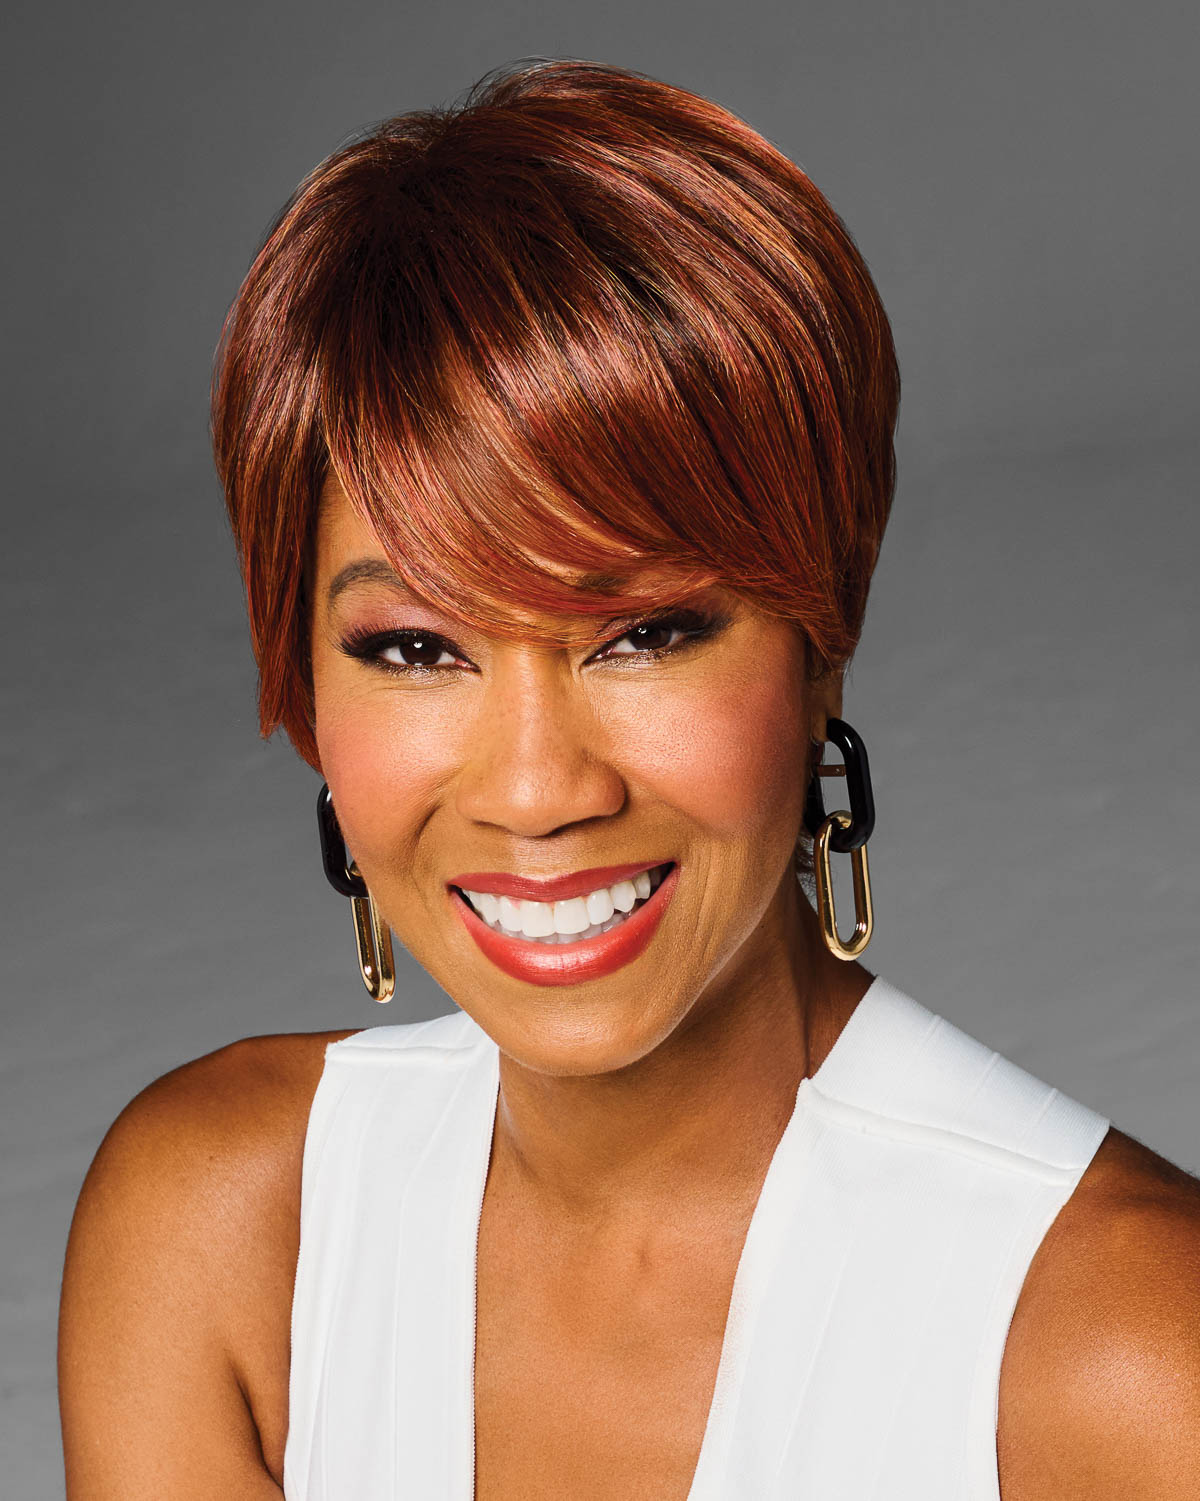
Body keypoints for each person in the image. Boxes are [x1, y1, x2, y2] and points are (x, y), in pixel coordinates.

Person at [58, 58, 1199, 1500]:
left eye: (646, 633)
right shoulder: (221, 1240)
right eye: (415, 648)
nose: (539, 788)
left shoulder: (1136, 1361)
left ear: (822, 636)